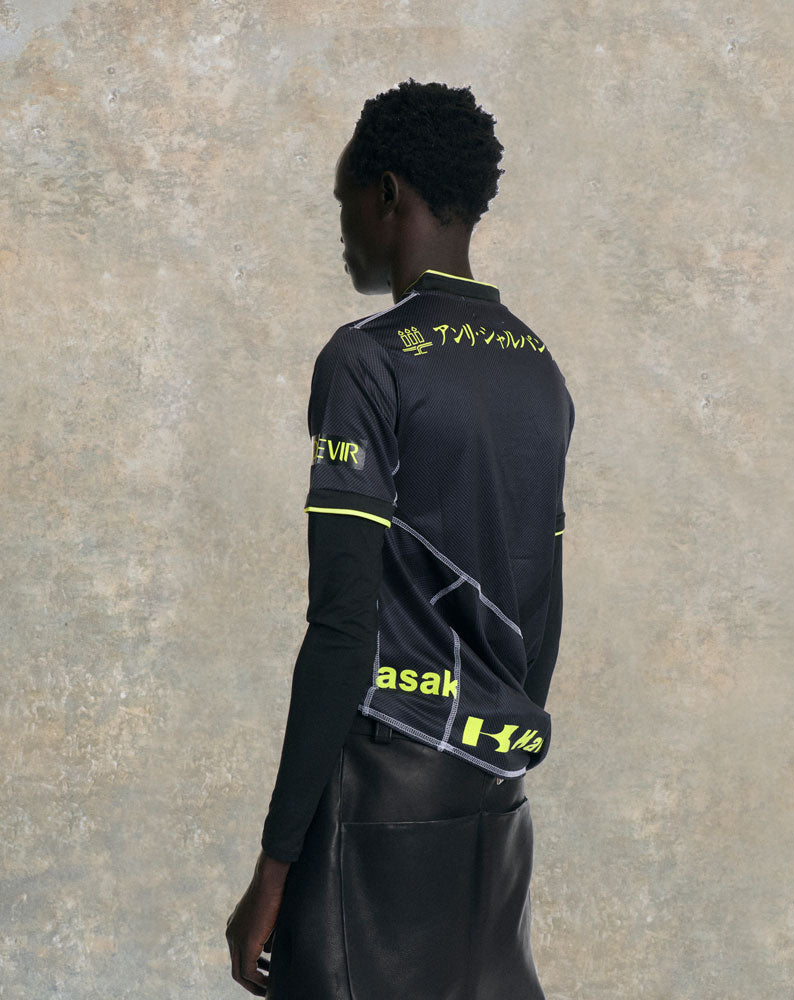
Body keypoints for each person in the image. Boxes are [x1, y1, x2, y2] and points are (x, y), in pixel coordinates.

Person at [226, 78, 575, 999]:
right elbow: (543, 613)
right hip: (495, 807)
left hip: (378, 807)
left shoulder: (367, 358)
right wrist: (494, 749)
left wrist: (276, 863)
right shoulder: (540, 369)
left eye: (345, 200)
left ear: (387, 194)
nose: (342, 228)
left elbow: (342, 628)